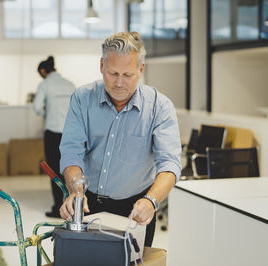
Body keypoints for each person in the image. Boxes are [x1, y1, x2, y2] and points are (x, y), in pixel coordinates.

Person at [58, 32, 182, 246]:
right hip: (87, 203)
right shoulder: (82, 99)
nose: (119, 83)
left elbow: (169, 163)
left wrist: (151, 201)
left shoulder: (160, 107)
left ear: (141, 70)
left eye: (128, 75)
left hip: (137, 207)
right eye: (112, 73)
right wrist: (75, 191)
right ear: (101, 66)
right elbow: (71, 151)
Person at [33, 56, 76, 218]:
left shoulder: (45, 85)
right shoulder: (69, 84)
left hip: (53, 132)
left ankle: (59, 207)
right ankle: (73, 205)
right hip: (71, 132)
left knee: (53, 170)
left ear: (43, 71)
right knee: (71, 167)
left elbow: (37, 107)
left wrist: (47, 113)